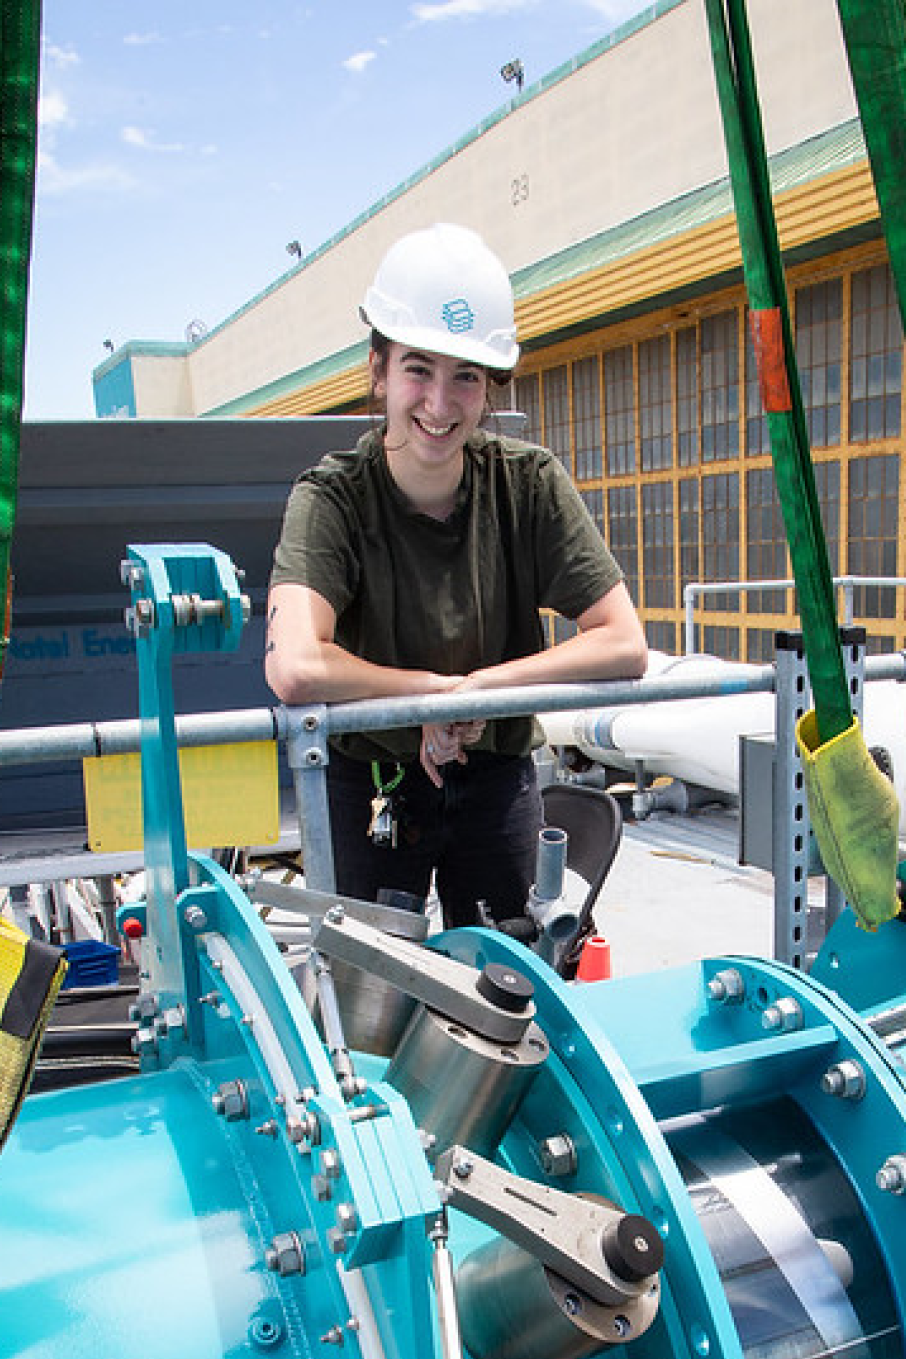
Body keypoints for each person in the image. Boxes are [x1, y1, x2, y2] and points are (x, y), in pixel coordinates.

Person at [265, 221, 647, 928]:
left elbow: (622, 643)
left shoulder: (527, 483)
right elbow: (295, 665)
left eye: (466, 377)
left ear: (489, 386)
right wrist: (431, 700)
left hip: (497, 779)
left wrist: (481, 692)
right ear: (378, 368)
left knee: (510, 980)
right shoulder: (332, 498)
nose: (440, 405)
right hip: (374, 786)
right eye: (418, 369)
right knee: (374, 993)